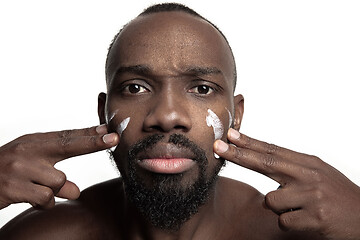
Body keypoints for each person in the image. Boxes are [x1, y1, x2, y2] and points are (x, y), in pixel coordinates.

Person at [0, 3, 359, 239]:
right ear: (104, 114)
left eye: (202, 88)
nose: (167, 116)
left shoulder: (299, 234)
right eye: (136, 87)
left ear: (236, 115)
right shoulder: (44, 235)